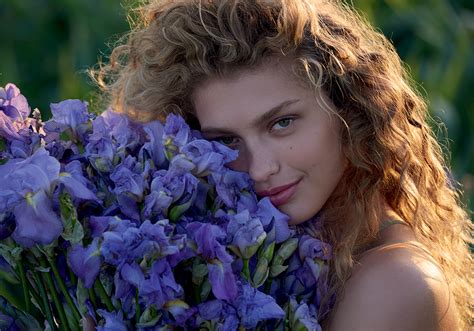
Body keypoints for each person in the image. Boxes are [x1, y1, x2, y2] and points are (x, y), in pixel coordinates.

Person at [94, 0, 472, 329]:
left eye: (282, 123)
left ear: (348, 109)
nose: (259, 170)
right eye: (225, 140)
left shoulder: (393, 284)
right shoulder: (300, 247)